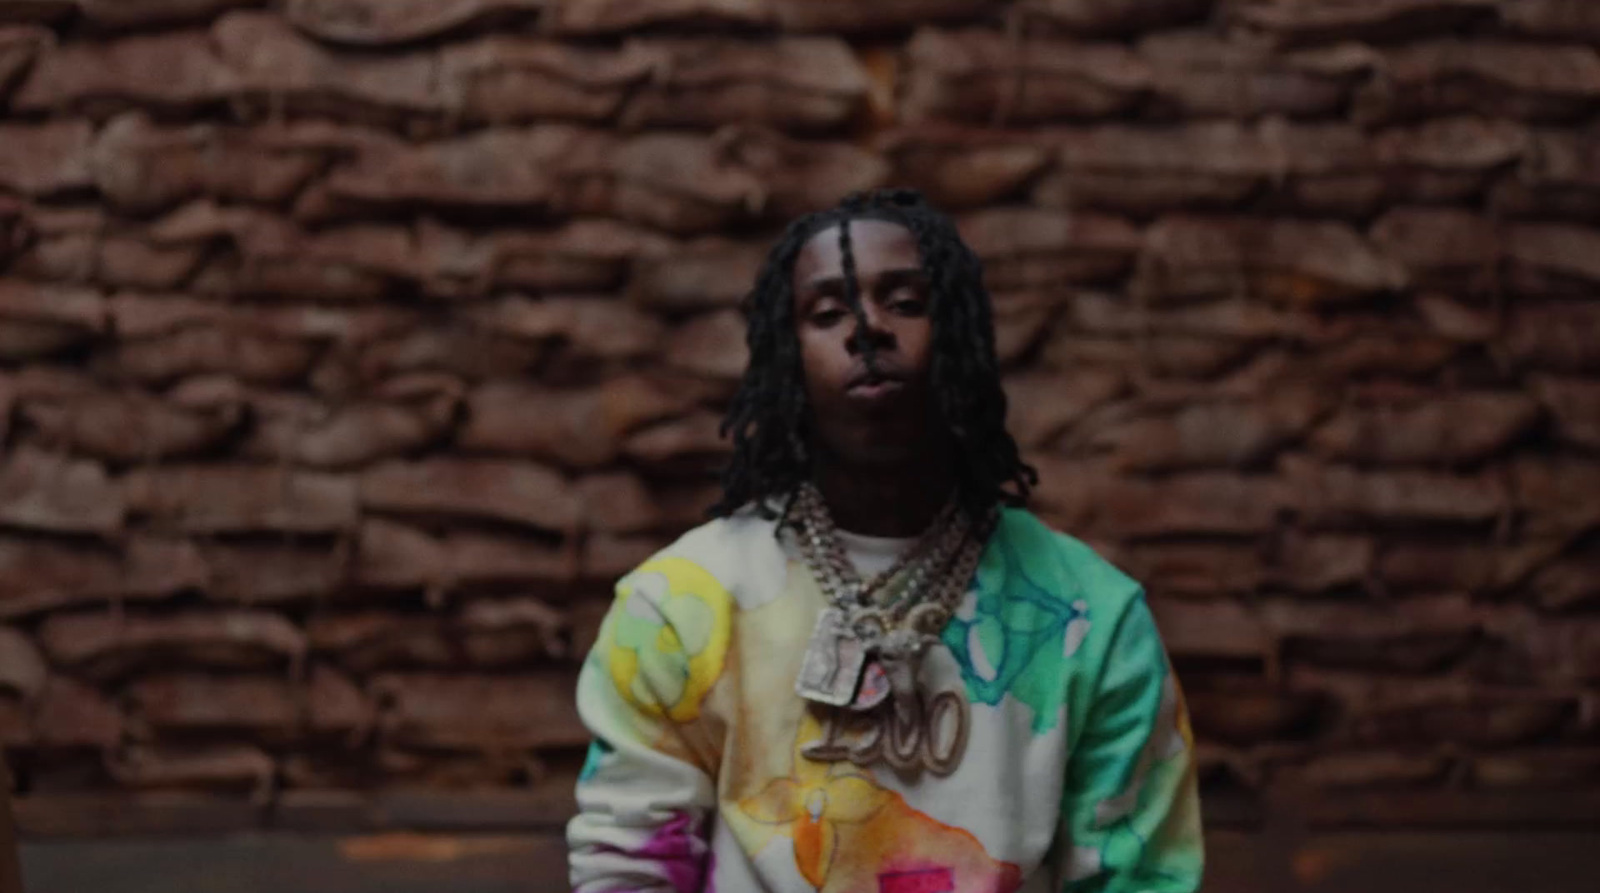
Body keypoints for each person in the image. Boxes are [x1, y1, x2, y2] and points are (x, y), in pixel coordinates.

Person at [567, 190, 1202, 893]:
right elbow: (626, 866)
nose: (867, 329)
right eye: (828, 312)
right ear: (785, 357)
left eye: (904, 301)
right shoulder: (678, 606)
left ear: (960, 335)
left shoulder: (1094, 616)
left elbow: (1140, 877)